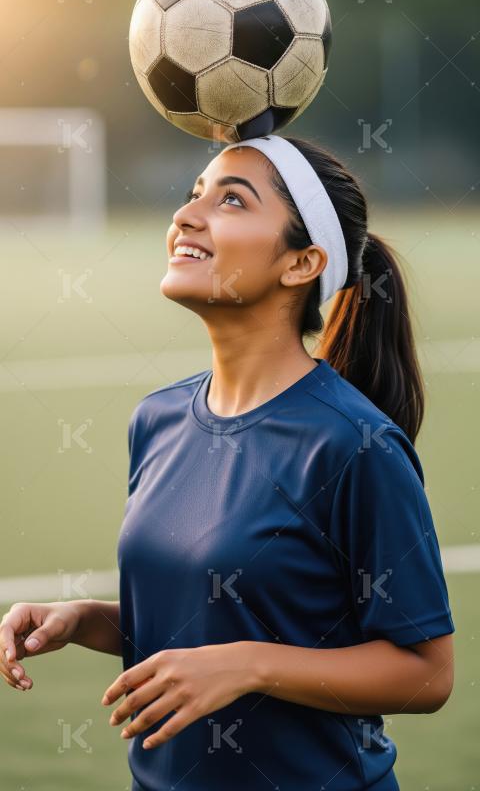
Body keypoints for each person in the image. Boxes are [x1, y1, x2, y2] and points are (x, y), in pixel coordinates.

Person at [0, 135, 455, 791]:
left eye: (232, 200)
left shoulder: (355, 445)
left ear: (301, 264)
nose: (188, 215)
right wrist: (84, 619)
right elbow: (214, 614)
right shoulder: (157, 419)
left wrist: (249, 666)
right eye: (194, 196)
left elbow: (427, 673)